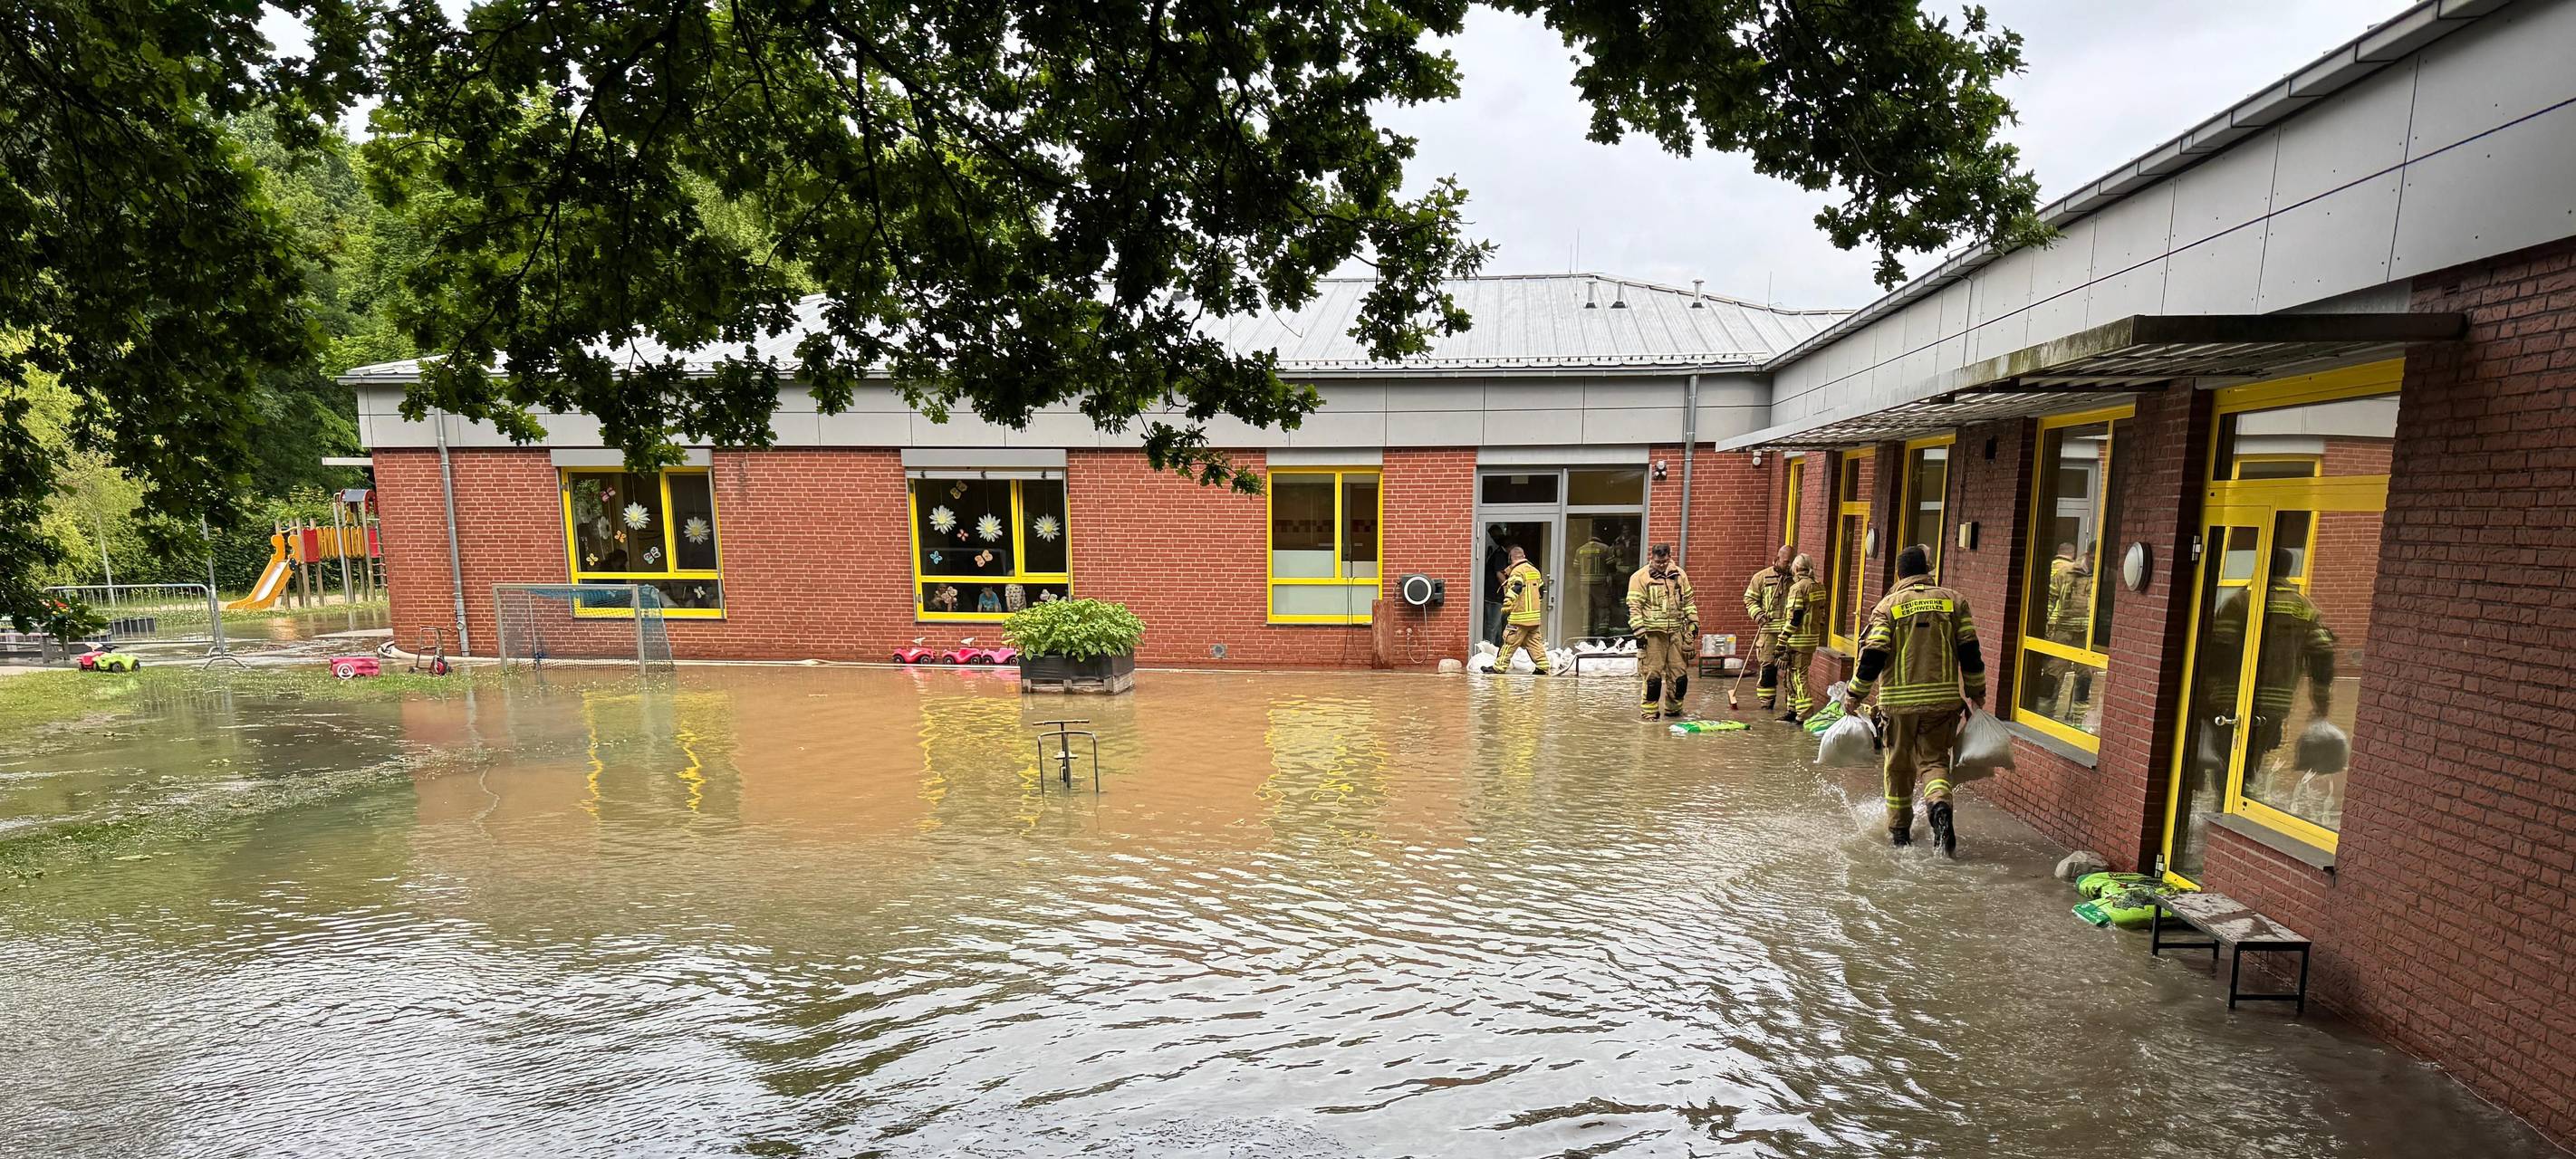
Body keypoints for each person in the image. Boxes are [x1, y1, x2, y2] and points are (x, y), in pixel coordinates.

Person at [1843, 544, 1986, 857]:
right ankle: (1940, 807)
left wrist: (1854, 693)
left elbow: (1874, 654)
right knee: (1935, 762)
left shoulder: (1888, 606)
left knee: (1898, 767)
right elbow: (1970, 651)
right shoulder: (1954, 602)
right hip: (1943, 703)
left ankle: (1900, 834)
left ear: (1899, 574)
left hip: (1899, 705)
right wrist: (1977, 692)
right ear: (1927, 569)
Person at [1626, 542, 1698, 719]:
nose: (1661, 565)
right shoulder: (1640, 577)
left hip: (1676, 632)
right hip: (1652, 635)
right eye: (1658, 562)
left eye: (1664, 561)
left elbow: (1688, 600)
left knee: (1679, 676)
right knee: (1653, 677)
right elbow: (1634, 606)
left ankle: (1674, 711)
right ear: (1652, 558)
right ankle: (1649, 713)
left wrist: (1694, 622)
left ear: (1669, 557)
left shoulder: (1679, 575)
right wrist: (1640, 632)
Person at [2043, 541, 2093, 720]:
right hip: (2063, 632)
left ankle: (2077, 718)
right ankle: (2043, 715)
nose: (2096, 563)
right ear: (2087, 554)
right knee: (2053, 674)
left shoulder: (2102, 576)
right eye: (2093, 558)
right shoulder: (2066, 573)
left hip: (2086, 636)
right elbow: (2049, 598)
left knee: (2085, 677)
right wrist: (2043, 626)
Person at [1741, 543, 1793, 712]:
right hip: (1769, 631)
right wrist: (1758, 614)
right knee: (1768, 668)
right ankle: (1766, 703)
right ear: (1777, 559)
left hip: (1791, 633)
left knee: (1792, 671)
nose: (1789, 566)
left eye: (1792, 562)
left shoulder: (1796, 579)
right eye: (1786, 562)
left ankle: (1791, 706)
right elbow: (1749, 599)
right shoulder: (1761, 577)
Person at [1778, 554, 1823, 722]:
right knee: (1791, 675)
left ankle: (1804, 713)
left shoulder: (1797, 588)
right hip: (1811, 638)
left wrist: (1781, 640)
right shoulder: (1818, 586)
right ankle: (1792, 709)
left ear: (1796, 568)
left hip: (1798, 640)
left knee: (1798, 676)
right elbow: (1821, 614)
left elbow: (1794, 618)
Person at [1496, 545, 1552, 675]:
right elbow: (1541, 590)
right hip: (1534, 617)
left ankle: (1499, 667)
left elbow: (1516, 587)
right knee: (1535, 643)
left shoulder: (1517, 571)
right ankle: (1543, 666)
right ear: (1524, 556)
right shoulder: (1535, 571)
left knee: (1509, 642)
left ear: (1511, 559)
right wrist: (1536, 605)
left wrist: (1507, 604)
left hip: (1519, 617)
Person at [1574, 529, 1619, 638]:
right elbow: (1611, 565)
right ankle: (1602, 629)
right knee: (1602, 605)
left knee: (1587, 607)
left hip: (1584, 583)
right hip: (1600, 583)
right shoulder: (1605, 548)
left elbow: (1576, 567)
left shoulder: (1580, 550)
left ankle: (1587, 630)